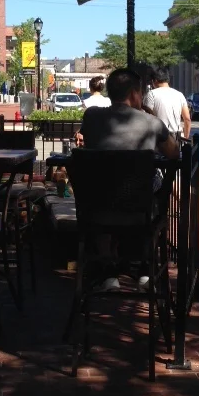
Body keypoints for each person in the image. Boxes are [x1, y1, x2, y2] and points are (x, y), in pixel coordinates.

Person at [79, 68, 179, 292]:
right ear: (135, 94)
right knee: (154, 196)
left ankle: (108, 271)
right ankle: (144, 268)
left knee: (104, 196)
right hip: (140, 210)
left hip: (96, 208)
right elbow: (174, 153)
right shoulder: (151, 123)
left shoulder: (92, 116)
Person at [143, 68, 191, 140]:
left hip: (159, 138)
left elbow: (146, 118)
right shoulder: (179, 95)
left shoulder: (151, 94)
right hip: (177, 138)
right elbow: (187, 119)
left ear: (154, 80)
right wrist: (186, 137)